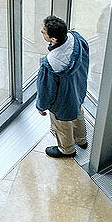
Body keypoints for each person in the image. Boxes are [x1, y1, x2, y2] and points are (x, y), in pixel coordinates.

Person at [36, 16, 90, 159]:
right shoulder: (77, 39)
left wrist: (41, 106)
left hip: (63, 102)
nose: (41, 31)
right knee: (78, 112)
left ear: (53, 39)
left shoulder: (51, 64)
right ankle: (81, 139)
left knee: (62, 125)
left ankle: (67, 150)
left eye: (44, 31)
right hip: (78, 89)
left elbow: (46, 90)